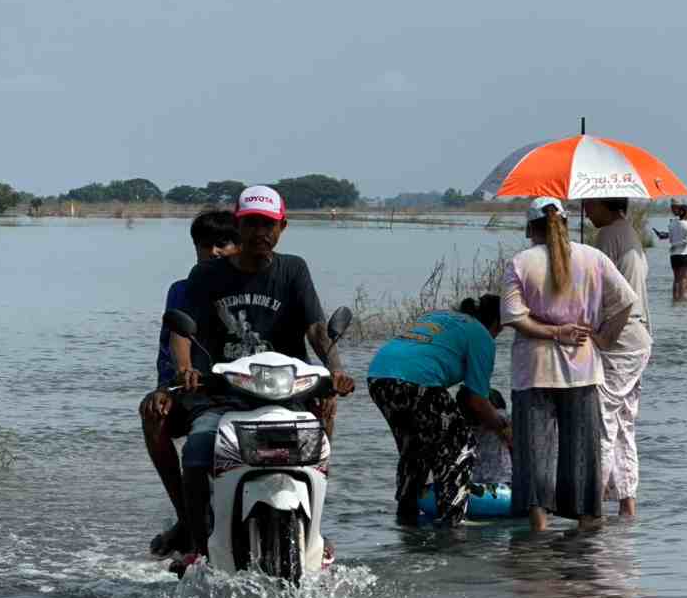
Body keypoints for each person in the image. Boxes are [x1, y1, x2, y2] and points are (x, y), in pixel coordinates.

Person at [170, 185, 356, 564]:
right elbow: (181, 330)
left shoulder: (293, 269)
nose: (260, 233)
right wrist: (186, 369)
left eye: (268, 224)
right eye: (252, 223)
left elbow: (317, 328)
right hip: (225, 392)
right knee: (198, 448)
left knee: (318, 444)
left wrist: (335, 370)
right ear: (238, 225)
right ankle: (197, 540)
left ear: (282, 227)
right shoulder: (206, 274)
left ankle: (316, 532)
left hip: (287, 393)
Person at [501, 197, 637, 530]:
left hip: (534, 371)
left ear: (531, 227)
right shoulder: (594, 258)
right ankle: (587, 525)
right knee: (582, 455)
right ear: (562, 222)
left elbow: (514, 317)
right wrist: (603, 339)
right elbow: (625, 303)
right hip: (583, 369)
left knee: (534, 456)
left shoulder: (521, 262)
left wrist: (552, 331)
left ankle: (539, 527)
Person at [139, 210, 240, 556]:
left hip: (249, 390)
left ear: (238, 246)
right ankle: (186, 519)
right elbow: (170, 346)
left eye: (223, 244)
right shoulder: (182, 290)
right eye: (205, 245)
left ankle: (312, 523)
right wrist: (166, 387)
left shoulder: (256, 284)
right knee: (153, 413)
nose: (213, 252)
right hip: (196, 392)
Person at [367, 296, 509, 525]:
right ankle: (452, 523)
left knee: (415, 448)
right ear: (496, 323)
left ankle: (406, 516)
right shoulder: (482, 335)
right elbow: (477, 401)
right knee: (461, 443)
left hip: (379, 376)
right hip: (417, 381)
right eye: (500, 330)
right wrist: (503, 427)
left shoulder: (440, 316)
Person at [583, 197, 653, 517]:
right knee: (624, 424)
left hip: (620, 341)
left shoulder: (608, 236)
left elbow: (603, 299)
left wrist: (601, 337)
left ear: (604, 204)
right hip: (638, 341)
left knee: (602, 424)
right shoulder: (630, 234)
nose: (585, 210)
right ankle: (627, 504)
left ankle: (591, 509)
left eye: (589, 204)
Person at [668, 204, 687, 301]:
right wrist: (677, 245)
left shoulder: (672, 224)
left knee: (676, 278)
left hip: (674, 254)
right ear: (686, 213)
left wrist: (674, 245)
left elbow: (671, 239)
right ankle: (682, 299)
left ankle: (674, 299)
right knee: (683, 278)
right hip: (685, 254)